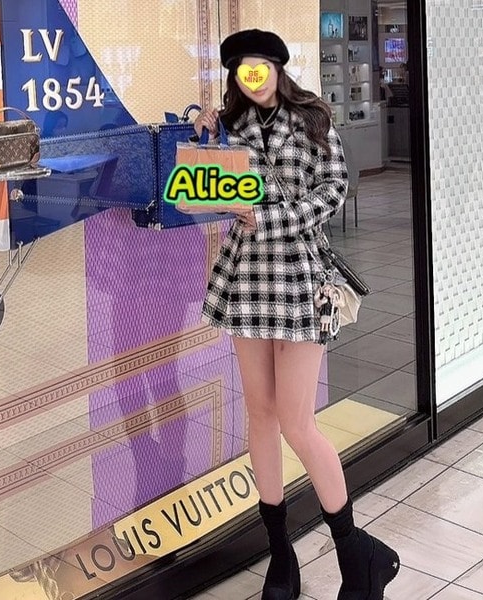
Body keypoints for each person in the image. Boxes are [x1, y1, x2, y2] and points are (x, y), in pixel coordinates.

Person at [194, 29, 400, 600]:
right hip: (244, 276)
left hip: (298, 273)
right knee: (260, 416)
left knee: (297, 422)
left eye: (259, 67)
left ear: (276, 69)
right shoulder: (229, 126)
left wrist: (272, 219)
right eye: (242, 70)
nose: (252, 78)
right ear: (235, 77)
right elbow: (204, 188)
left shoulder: (311, 119)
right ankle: (281, 557)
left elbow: (335, 188)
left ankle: (356, 554)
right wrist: (202, 137)